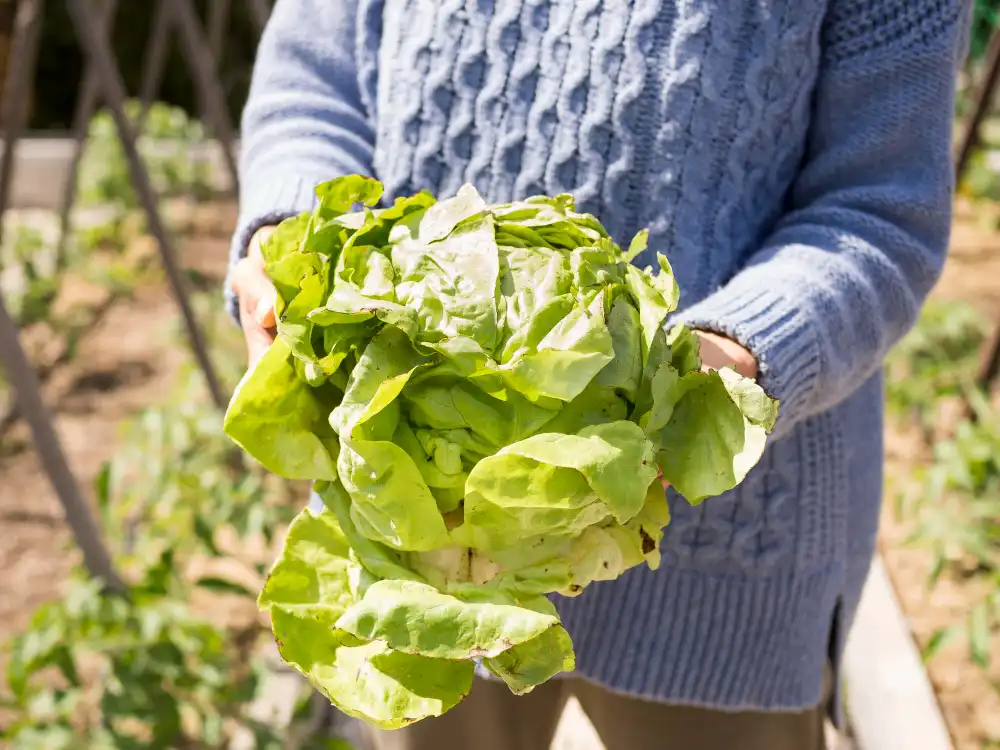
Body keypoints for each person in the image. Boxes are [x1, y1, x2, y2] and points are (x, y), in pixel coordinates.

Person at [227, 1, 969, 748]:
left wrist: (717, 370)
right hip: (421, 553)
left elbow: (880, 211)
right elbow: (315, 81)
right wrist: (290, 245)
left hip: (729, 569)